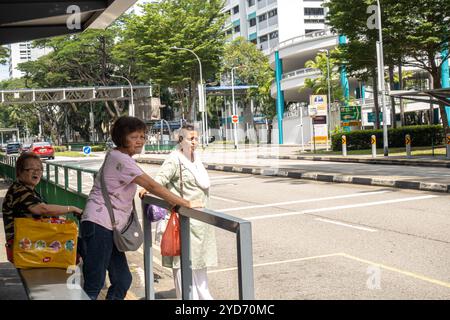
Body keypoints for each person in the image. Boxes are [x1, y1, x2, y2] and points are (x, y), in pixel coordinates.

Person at [80, 116, 201, 300]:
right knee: (94, 284)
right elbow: (152, 186)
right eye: (134, 136)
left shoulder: (115, 155)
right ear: (122, 137)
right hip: (99, 226)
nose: (140, 141)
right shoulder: (122, 160)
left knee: (122, 279)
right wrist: (185, 203)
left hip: (108, 227)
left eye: (142, 136)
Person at [140, 123, 217, 300]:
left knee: (200, 264)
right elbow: (161, 179)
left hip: (201, 222)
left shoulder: (195, 159)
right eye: (191, 139)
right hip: (184, 222)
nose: (195, 142)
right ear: (181, 140)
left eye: (197, 138)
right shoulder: (175, 159)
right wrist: (147, 189)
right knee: (183, 265)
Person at [2, 152, 83, 263]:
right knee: (79, 245)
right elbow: (43, 209)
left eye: (39, 169)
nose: (37, 172)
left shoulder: (25, 189)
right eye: (31, 169)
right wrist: (72, 208)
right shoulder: (19, 190)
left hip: (29, 240)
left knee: (76, 243)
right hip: (23, 244)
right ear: (20, 172)